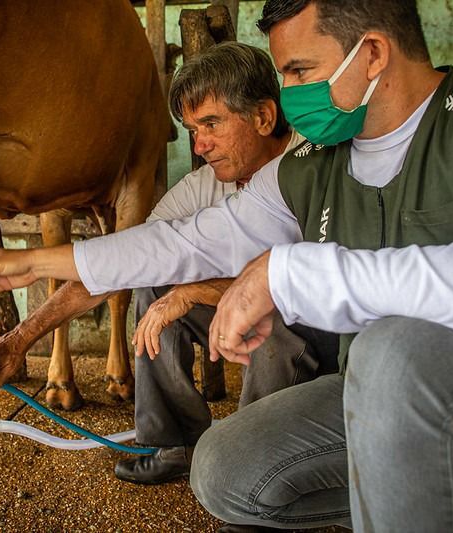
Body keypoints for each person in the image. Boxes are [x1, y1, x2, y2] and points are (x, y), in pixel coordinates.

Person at [0, 0, 453, 530]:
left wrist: (282, 273)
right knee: (223, 470)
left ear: (371, 54)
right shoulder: (310, 164)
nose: (290, 93)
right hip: (376, 397)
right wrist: (43, 260)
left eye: (300, 72)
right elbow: (185, 241)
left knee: (391, 350)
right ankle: (431, 489)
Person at [115, 42, 337, 486]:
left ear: (263, 117)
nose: (199, 145)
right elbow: (145, 251)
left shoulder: (315, 164)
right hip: (247, 307)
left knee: (271, 316)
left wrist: (197, 290)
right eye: (192, 129)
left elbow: (304, 282)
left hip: (320, 327)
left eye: (211, 123)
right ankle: (177, 442)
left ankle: (255, 469)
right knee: (155, 291)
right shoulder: (205, 184)